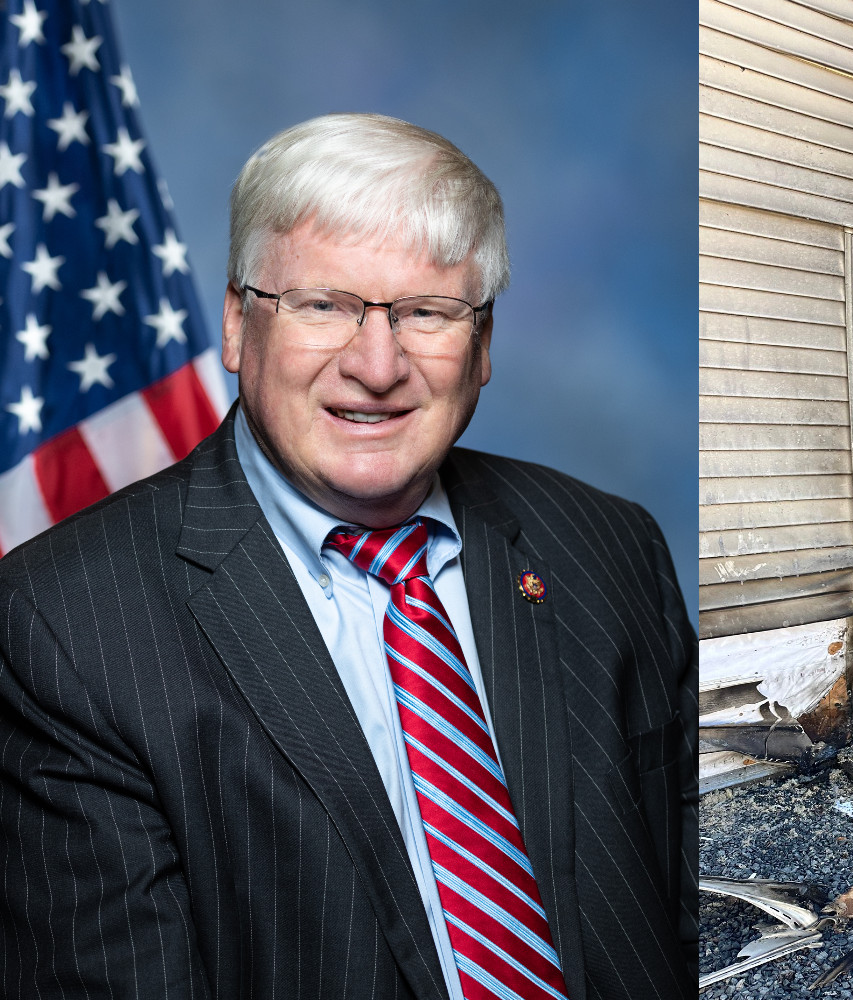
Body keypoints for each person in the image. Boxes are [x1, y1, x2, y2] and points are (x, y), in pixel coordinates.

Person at [0, 114, 695, 1000]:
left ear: (482, 346)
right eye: (323, 305)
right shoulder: (64, 626)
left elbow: (680, 904)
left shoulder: (608, 543)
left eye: (427, 313)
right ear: (237, 326)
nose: (377, 364)